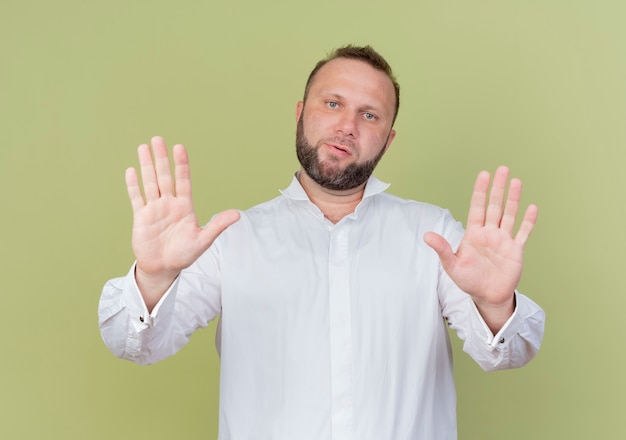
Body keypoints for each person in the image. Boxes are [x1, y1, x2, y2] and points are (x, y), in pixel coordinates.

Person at [99, 45, 545, 440]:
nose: (347, 126)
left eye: (369, 114)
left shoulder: (435, 238)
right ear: (300, 114)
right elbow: (135, 344)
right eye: (333, 103)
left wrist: (495, 305)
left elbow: (508, 354)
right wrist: (155, 278)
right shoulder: (230, 238)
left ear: (387, 140)